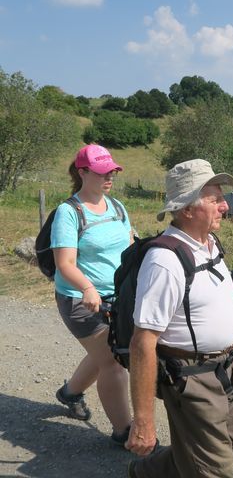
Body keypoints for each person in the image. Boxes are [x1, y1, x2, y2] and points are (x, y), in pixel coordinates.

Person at [126, 159, 233, 478]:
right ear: (187, 209)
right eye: (214, 198)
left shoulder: (209, 243)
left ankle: (146, 473)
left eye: (222, 197)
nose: (224, 205)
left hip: (224, 367)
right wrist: (144, 420)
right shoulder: (164, 261)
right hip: (192, 378)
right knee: (215, 468)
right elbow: (142, 342)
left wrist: (232, 339)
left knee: (229, 445)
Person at [51, 144, 132, 445]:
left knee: (103, 353)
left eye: (111, 170)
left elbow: (129, 247)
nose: (109, 176)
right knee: (112, 361)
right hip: (78, 299)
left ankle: (69, 393)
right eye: (101, 172)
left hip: (116, 298)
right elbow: (65, 264)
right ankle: (125, 432)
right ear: (83, 172)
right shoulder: (69, 212)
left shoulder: (118, 207)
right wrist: (87, 287)